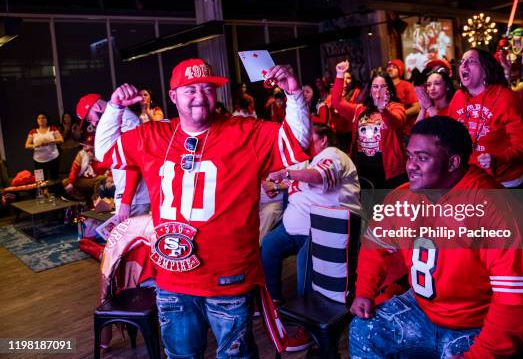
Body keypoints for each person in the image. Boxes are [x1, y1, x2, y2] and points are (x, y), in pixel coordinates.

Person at [94, 58, 311, 358]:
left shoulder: (244, 131)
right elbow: (104, 151)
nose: (200, 96)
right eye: (190, 89)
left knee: (234, 356)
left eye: (208, 89)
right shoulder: (153, 135)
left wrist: (294, 95)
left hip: (229, 277)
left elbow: (296, 143)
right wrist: (115, 107)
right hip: (172, 277)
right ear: (173, 96)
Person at [349, 116, 523, 358]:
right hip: (421, 307)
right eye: (409, 156)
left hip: (476, 322)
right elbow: (375, 244)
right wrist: (364, 290)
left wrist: (477, 356)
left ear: (452, 162)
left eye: (423, 158)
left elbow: (514, 300)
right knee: (363, 330)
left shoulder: (494, 207)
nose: (411, 165)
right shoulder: (403, 196)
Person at [261, 124, 361, 351]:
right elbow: (294, 183)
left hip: (326, 231)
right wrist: (276, 186)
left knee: (305, 261)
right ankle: (275, 301)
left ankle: (308, 327)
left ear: (324, 139)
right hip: (292, 228)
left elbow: (317, 177)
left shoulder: (333, 155)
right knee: (268, 244)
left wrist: (285, 173)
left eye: (310, 138)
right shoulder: (308, 161)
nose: (304, 142)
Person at [448, 48, 523, 188]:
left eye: (472, 61)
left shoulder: (507, 98)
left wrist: (497, 159)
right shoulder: (458, 97)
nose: (463, 65)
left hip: (505, 180)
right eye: (462, 61)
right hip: (471, 178)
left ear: (485, 70)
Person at [331, 60, 407, 189]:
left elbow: (395, 122)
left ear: (389, 89)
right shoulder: (360, 110)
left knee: (389, 208)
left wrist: (384, 110)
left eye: (383, 86)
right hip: (364, 169)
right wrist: (339, 74)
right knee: (369, 207)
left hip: (389, 171)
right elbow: (337, 102)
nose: (379, 90)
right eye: (375, 86)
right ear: (370, 90)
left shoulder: (396, 107)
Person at [77, 93, 150, 221]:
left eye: (89, 118)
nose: (92, 123)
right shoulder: (117, 119)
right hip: (131, 195)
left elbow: (133, 163)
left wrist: (126, 201)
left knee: (129, 239)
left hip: (135, 197)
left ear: (96, 107)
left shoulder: (124, 120)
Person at [62, 135, 106, 202]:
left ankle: (96, 201)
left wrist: (93, 160)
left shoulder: (101, 155)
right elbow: (74, 169)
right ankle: (80, 199)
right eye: (85, 145)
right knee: (65, 182)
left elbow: (100, 172)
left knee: (101, 178)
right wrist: (71, 183)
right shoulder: (81, 154)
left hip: (94, 179)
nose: (86, 148)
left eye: (89, 146)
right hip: (82, 179)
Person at [25, 112, 63, 180]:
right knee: (40, 181)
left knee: (55, 179)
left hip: (53, 159)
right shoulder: (32, 131)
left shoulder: (53, 128)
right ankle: (44, 191)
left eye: (43, 118)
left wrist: (50, 141)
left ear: (47, 119)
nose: (41, 119)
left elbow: (61, 140)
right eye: (39, 118)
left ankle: (55, 191)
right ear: (37, 120)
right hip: (38, 161)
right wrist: (36, 145)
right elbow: (27, 145)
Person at [386, 59, 420, 135]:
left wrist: (397, 115)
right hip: (388, 130)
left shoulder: (406, 85)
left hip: (404, 130)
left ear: (400, 70)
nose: (390, 69)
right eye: (388, 66)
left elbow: (416, 108)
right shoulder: (383, 86)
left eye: (394, 67)